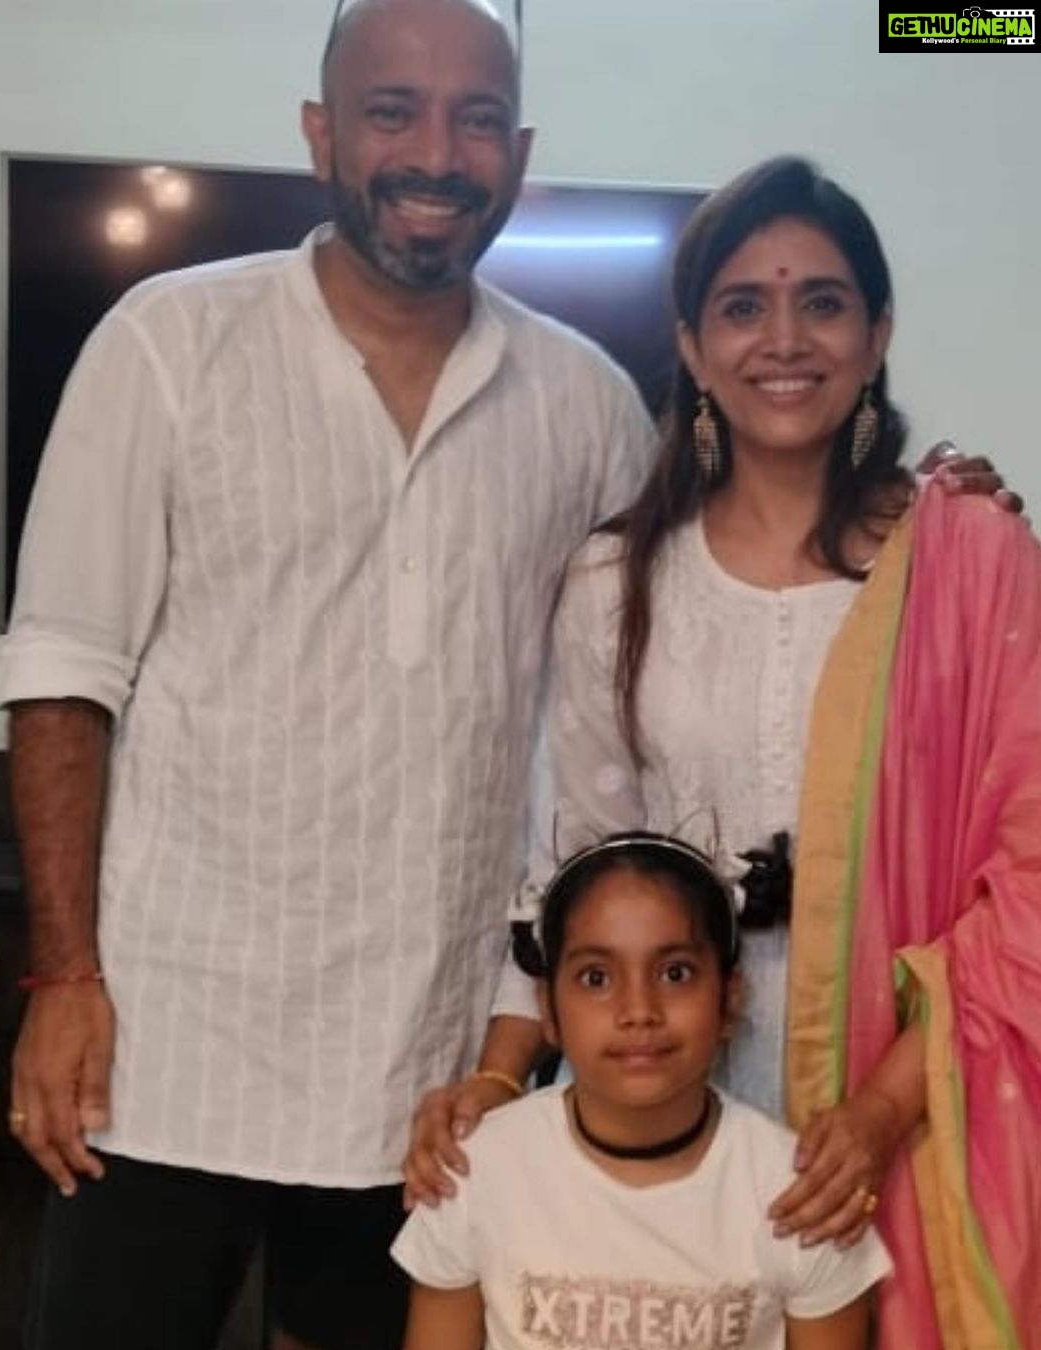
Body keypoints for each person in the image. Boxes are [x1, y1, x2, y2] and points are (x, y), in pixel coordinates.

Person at [0, 3, 660, 1347]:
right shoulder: (167, 343)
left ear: (520, 152)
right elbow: (65, 671)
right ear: (320, 134)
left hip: (422, 1080)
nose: (438, 154)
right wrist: (62, 980)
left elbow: (608, 715)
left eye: (477, 119)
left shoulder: (588, 405)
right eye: (392, 111)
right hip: (161, 1050)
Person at [402, 158, 1041, 1348]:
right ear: (694, 349)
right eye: (744, 306)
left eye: (823, 302)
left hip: (901, 1095)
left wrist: (879, 1114)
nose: (784, 340)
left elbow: (1032, 884)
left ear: (877, 333)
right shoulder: (616, 582)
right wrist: (495, 1080)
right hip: (660, 1084)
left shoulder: (970, 564)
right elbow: (575, 872)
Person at [393, 832, 892, 1350]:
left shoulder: (804, 1195)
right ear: (547, 1009)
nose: (638, 1010)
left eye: (675, 973)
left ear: (729, 999)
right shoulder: (473, 1170)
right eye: (595, 978)